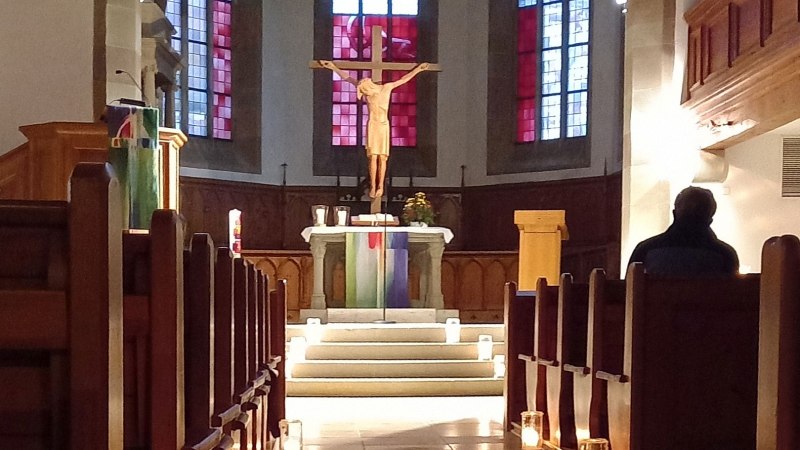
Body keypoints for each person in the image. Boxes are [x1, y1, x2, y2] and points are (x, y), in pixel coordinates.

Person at [319, 60, 431, 199]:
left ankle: (381, 186)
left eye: (364, 83)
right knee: (373, 158)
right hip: (373, 125)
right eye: (363, 86)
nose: (364, 82)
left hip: (383, 125)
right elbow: (347, 78)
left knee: (382, 158)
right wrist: (333, 67)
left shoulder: (386, 88)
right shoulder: (368, 94)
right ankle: (373, 185)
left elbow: (404, 79)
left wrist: (418, 69)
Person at [627, 186, 739, 276]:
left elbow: (624, 293)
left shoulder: (645, 250)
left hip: (660, 305)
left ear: (674, 214)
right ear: (710, 219)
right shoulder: (726, 255)